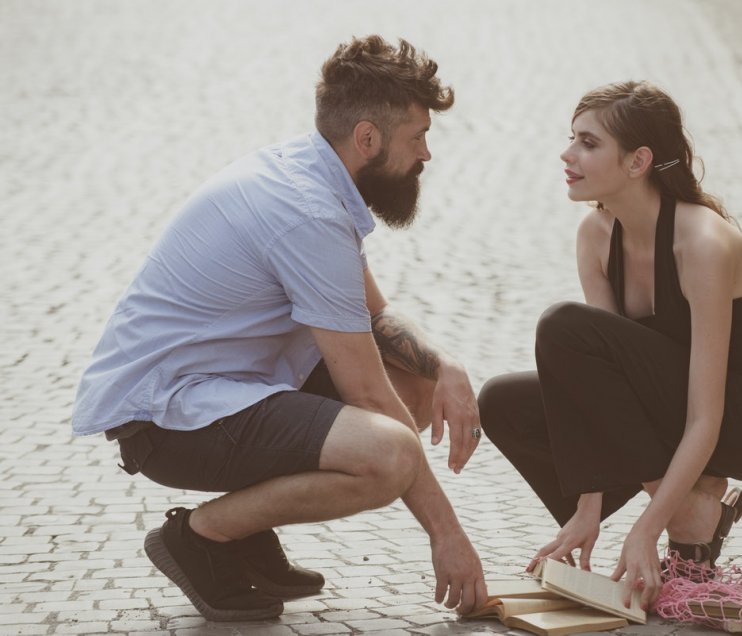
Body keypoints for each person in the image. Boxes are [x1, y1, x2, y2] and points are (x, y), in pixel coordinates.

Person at [71, 35, 487, 622]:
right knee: (388, 454)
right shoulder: (307, 212)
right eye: (417, 137)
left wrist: (445, 364)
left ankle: (246, 531)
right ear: (367, 138)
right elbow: (369, 396)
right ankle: (202, 536)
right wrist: (448, 536)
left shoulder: (311, 171)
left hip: (229, 386)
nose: (425, 154)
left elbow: (374, 318)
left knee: (415, 387)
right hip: (164, 418)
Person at [478, 80, 742, 612]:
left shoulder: (703, 242)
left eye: (588, 143)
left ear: (638, 162)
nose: (568, 154)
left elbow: (706, 413)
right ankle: (694, 511)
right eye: (571, 139)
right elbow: (592, 390)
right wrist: (586, 507)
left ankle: (689, 517)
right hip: (669, 405)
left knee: (563, 324)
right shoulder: (595, 236)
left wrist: (647, 529)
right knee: (501, 402)